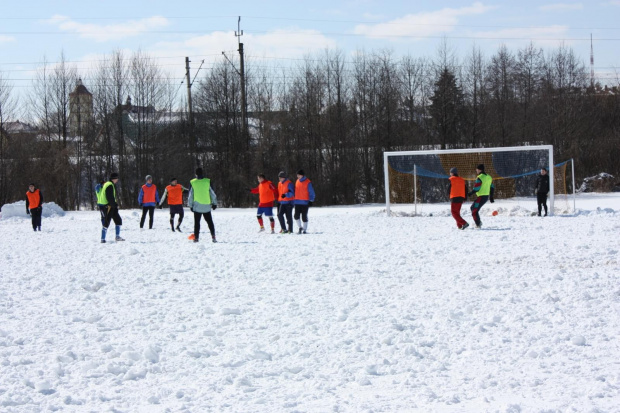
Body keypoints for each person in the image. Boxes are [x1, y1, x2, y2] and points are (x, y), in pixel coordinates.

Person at [188, 167, 217, 243]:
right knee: (210, 222)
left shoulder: (192, 182)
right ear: (202, 173)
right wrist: (214, 203)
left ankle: (196, 238)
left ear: (195, 174)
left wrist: (190, 205)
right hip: (206, 205)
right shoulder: (208, 181)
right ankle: (213, 236)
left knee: (197, 223)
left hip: (197, 206)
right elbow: (212, 193)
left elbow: (191, 195)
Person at [468, 164, 495, 229]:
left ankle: (478, 224)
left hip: (481, 197)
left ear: (480, 170)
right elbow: (492, 187)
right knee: (473, 208)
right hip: (485, 197)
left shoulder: (479, 177)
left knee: (474, 210)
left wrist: (470, 193)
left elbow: (477, 188)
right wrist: (491, 197)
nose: (476, 170)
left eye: (477, 169)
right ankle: (478, 222)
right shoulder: (489, 177)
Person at [100, 172, 125, 243]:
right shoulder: (110, 185)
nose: (117, 180)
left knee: (118, 220)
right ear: (114, 179)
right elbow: (109, 197)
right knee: (106, 222)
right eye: (117, 178)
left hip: (112, 206)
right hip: (108, 206)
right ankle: (102, 238)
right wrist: (114, 205)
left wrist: (115, 205)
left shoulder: (109, 184)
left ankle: (117, 236)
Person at [293, 169, 316, 234]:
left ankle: (304, 229)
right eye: (297, 175)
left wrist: (311, 200)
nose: (298, 176)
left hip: (305, 202)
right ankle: (300, 227)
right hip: (297, 202)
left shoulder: (308, 182)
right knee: (296, 216)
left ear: (302, 175)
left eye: (299, 175)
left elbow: (311, 192)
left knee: (304, 216)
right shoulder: (297, 181)